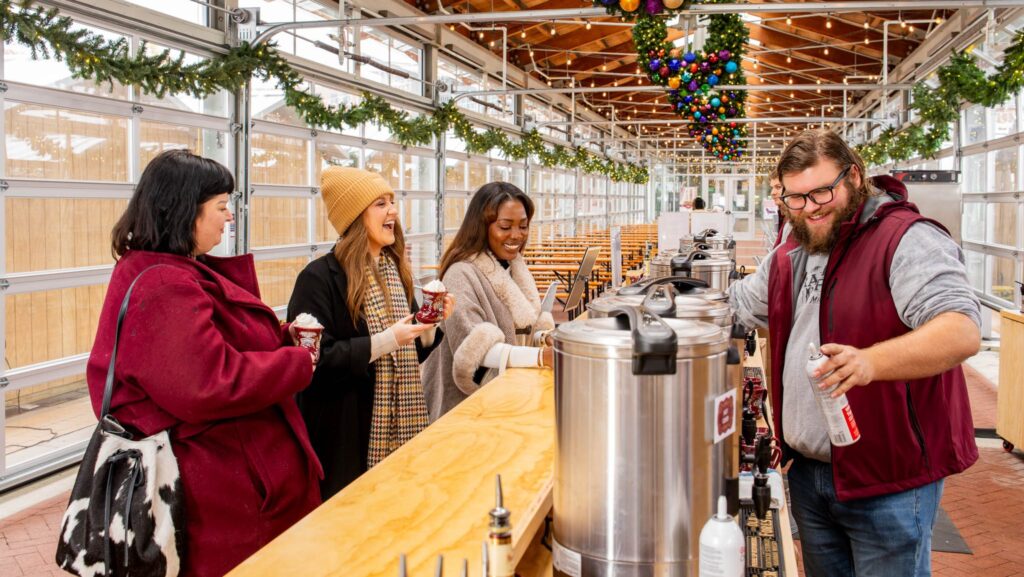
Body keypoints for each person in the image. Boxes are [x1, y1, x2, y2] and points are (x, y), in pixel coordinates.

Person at [728, 129, 980, 577]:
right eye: (796, 199)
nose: (811, 207)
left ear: (855, 177)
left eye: (822, 191)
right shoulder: (794, 247)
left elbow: (960, 329)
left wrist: (869, 362)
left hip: (889, 478)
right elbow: (742, 305)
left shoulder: (903, 238)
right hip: (809, 473)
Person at [87, 149, 321, 577]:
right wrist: (297, 362)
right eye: (220, 207)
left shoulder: (167, 270)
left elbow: (206, 348)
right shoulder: (164, 285)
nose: (228, 217)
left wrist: (276, 337)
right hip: (224, 498)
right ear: (183, 211)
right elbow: (208, 383)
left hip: (230, 483)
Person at [287, 167, 453, 499]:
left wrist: (429, 328)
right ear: (354, 217)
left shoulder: (394, 273)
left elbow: (410, 351)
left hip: (401, 423)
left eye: (391, 201)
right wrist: (387, 340)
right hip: (344, 434)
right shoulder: (318, 278)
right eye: (380, 203)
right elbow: (312, 364)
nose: (393, 210)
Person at [422, 182, 555, 421]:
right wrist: (538, 358)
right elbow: (474, 354)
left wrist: (545, 338)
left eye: (523, 226)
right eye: (505, 226)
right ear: (482, 226)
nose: (516, 235)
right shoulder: (460, 274)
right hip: (463, 410)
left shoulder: (512, 267)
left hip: (505, 403)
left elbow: (516, 331)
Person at [769, 167, 786, 246]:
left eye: (778, 187)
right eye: (772, 188)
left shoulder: (797, 220)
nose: (772, 192)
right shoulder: (783, 214)